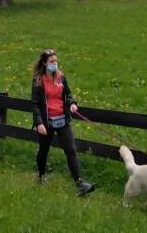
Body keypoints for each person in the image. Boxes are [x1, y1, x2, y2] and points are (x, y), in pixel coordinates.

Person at [32, 49, 95, 196]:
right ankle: (41, 176)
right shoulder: (38, 80)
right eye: (51, 61)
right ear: (44, 63)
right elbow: (34, 104)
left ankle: (79, 183)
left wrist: (72, 103)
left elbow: (67, 94)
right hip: (47, 122)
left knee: (71, 150)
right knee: (44, 150)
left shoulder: (61, 77)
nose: (55, 64)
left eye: (56, 61)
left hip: (63, 120)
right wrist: (39, 122)